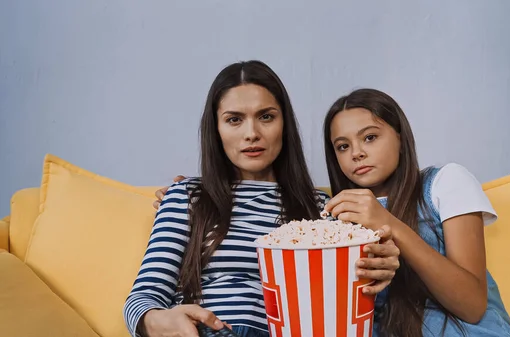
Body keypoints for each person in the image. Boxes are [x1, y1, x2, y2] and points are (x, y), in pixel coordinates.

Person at [124, 61, 400, 337]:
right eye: (234, 119)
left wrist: (377, 274)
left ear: (284, 124)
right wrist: (157, 321)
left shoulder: (319, 208)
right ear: (216, 130)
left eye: (266, 117)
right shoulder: (188, 196)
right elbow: (142, 299)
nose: (251, 133)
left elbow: (340, 306)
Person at [322, 88, 510, 337]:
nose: (356, 153)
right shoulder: (338, 216)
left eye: (370, 137)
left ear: (401, 140)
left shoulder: (445, 182)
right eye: (342, 146)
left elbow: (472, 306)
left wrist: (389, 224)